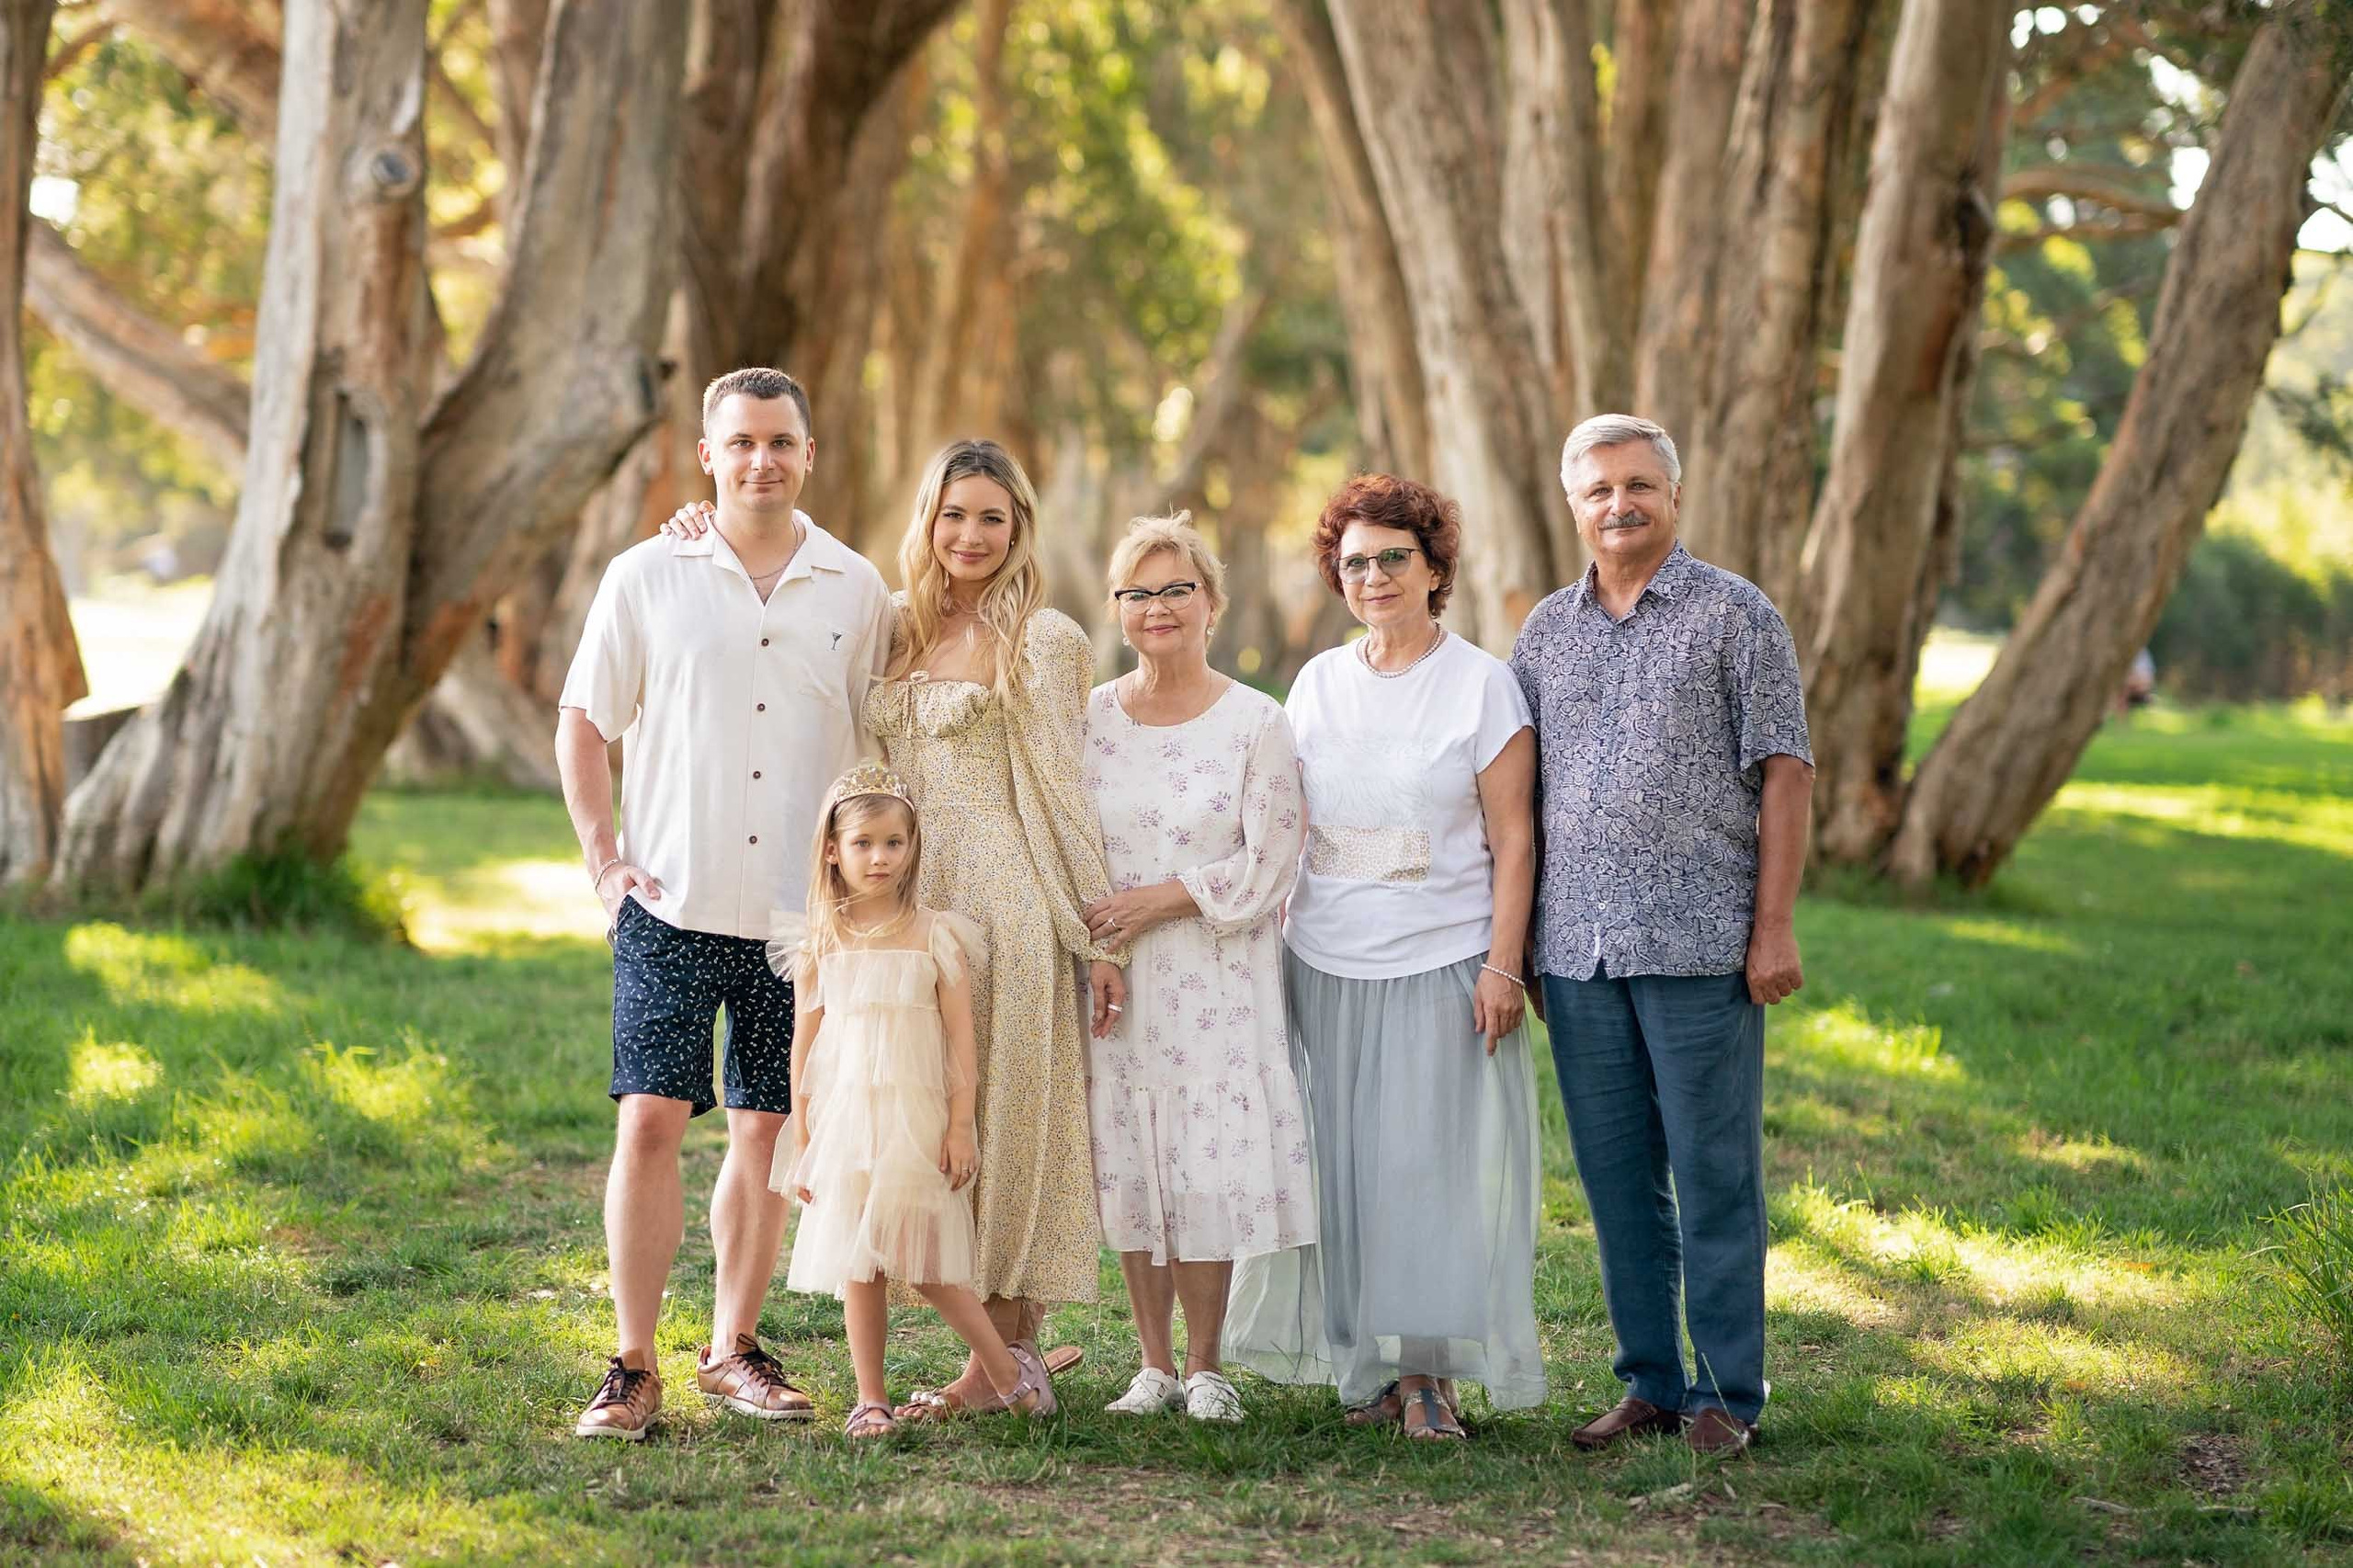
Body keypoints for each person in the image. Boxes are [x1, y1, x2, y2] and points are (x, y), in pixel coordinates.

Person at [664, 437, 1122, 1417]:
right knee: (910, 1120)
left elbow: (1060, 790)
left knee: (1002, 1117)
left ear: (1019, 528)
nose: (970, 534)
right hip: (896, 895)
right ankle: (990, 1354)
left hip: (1003, 895)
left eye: (992, 517)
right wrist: (701, 524)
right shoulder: (889, 624)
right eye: (953, 513)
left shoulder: (1041, 639)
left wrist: (1096, 931)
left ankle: (1007, 1356)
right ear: (926, 520)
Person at [557, 367, 892, 1440]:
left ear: (807, 451)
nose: (762, 460)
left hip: (800, 918)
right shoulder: (647, 573)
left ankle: (732, 1348)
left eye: (781, 441)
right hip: (670, 898)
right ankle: (631, 1360)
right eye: (740, 442)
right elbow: (582, 721)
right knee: (650, 1118)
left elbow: (879, 746)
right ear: (707, 454)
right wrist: (605, 862)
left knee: (764, 1128)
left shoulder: (854, 587)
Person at [1511, 414, 1814, 1458]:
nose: (1618, 503)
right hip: (1578, 950)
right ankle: (1648, 1377)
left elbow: (1786, 770)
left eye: (1638, 483)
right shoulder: (1544, 631)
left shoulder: (1737, 615)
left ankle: (1729, 1391)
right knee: (1615, 1176)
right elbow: (1517, 799)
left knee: (1713, 1169)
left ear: (1672, 496)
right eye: (1598, 488)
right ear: (1573, 504)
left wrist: (1770, 928)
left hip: (1699, 945)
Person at [1224, 474, 1544, 1440]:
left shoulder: (1483, 683)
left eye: (1393, 557)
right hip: (1321, 957)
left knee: (1423, 1169)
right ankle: (1364, 1366)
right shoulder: (1319, 680)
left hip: (1440, 959)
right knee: (1341, 1170)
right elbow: (1286, 821)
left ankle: (1427, 1375)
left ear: (1435, 565)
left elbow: (1515, 839)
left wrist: (1503, 964)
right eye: (1354, 561)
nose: (1372, 575)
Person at [1077, 513, 1315, 1425]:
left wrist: (1158, 899)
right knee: (1132, 1155)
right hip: (1118, 980)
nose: (1158, 606)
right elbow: (1075, 845)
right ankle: (1151, 1363)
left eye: (1177, 588)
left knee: (1203, 1159)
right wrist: (1105, 941)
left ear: (1211, 602)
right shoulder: (1090, 718)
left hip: (1217, 971)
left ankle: (1209, 1364)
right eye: (1138, 591)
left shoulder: (1257, 719)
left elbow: (1271, 858)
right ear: (1118, 609)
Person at [770, 763, 1059, 1436]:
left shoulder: (938, 934)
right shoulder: (819, 941)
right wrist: (805, 1136)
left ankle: (1008, 1373)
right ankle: (870, 1398)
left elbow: (961, 1043)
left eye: (893, 842)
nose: (879, 857)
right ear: (833, 851)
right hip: (846, 1119)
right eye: (864, 843)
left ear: (912, 847)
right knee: (858, 1261)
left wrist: (962, 1126)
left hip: (915, 1117)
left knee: (927, 1262)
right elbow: (803, 1047)